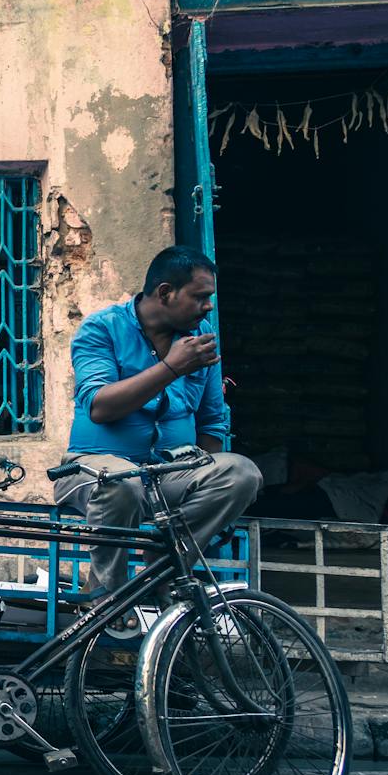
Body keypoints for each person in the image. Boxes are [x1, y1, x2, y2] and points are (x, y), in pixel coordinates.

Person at [55, 246, 262, 591]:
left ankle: (161, 573)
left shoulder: (199, 338)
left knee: (242, 473)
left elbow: (212, 423)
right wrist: (171, 367)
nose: (208, 306)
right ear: (166, 293)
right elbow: (100, 407)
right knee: (122, 481)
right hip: (93, 471)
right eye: (200, 297)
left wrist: (203, 480)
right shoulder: (102, 329)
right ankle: (108, 594)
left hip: (166, 475)